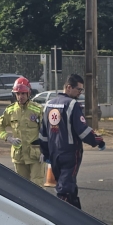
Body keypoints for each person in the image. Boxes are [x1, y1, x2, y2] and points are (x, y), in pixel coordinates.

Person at [37, 74, 104, 209]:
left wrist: (46, 153)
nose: (80, 93)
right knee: (65, 189)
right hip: (70, 154)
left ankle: (77, 214)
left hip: (54, 154)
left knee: (67, 185)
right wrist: (98, 141)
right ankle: (64, 215)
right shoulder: (72, 105)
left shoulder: (48, 105)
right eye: (78, 89)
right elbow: (82, 131)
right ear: (68, 87)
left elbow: (43, 134)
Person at [0, 77, 44, 184]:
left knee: (37, 185)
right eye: (18, 94)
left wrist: (45, 151)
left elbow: (46, 131)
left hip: (35, 155)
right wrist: (8, 137)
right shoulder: (10, 110)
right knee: (22, 186)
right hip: (19, 156)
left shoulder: (38, 110)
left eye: (23, 93)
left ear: (28, 93)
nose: (20, 96)